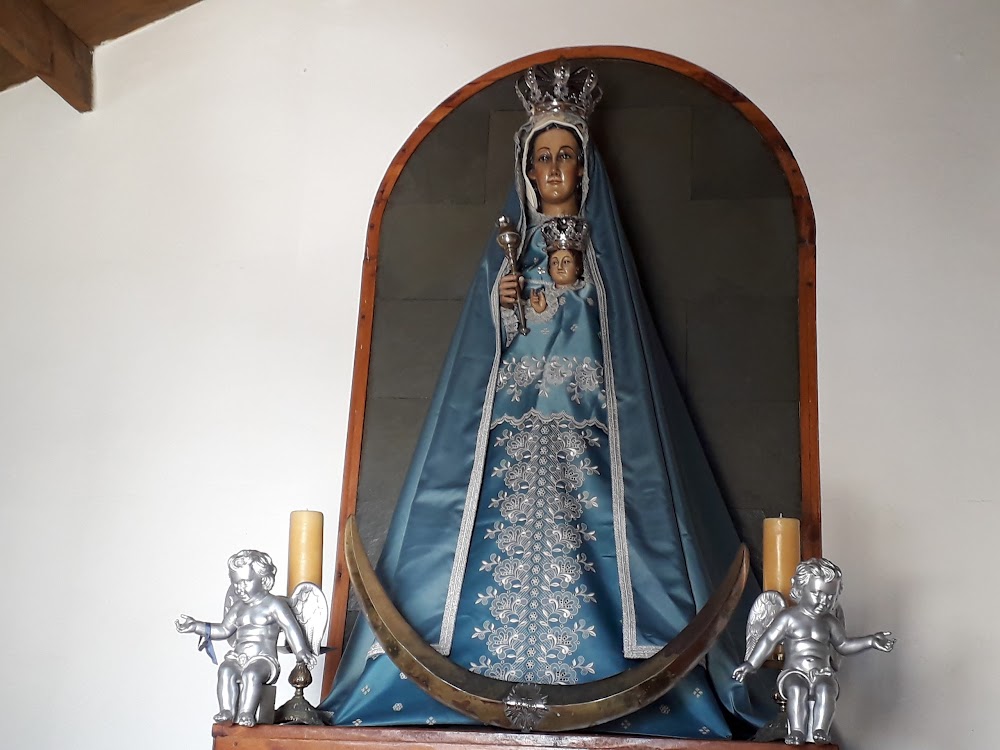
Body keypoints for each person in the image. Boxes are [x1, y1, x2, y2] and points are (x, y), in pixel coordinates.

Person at [321, 61, 774, 737]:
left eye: (566, 155)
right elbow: (482, 352)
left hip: (585, 426)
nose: (555, 169)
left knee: (603, 539)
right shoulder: (509, 251)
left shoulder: (602, 255)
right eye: (543, 158)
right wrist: (501, 303)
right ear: (527, 170)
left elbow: (621, 344)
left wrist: (579, 294)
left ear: (583, 168)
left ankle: (607, 675)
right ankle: (470, 676)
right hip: (511, 426)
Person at [733, 558, 896, 745]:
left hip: (822, 673)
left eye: (830, 596)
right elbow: (768, 640)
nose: (824, 601)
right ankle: (797, 730)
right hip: (793, 672)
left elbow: (843, 645)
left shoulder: (830, 621)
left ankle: (820, 730)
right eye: (817, 594)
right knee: (797, 689)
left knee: (827, 689)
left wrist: (871, 641)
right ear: (800, 589)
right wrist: (751, 664)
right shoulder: (788, 617)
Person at [175, 550, 317, 727]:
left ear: (264, 580)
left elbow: (290, 627)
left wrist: (301, 650)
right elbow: (223, 629)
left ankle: (246, 713)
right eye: (235, 583)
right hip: (238, 657)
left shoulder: (274, 604)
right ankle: (227, 711)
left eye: (245, 582)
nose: (239, 588)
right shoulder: (238, 607)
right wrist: (196, 626)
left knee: (251, 674)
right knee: (225, 670)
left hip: (263, 660)